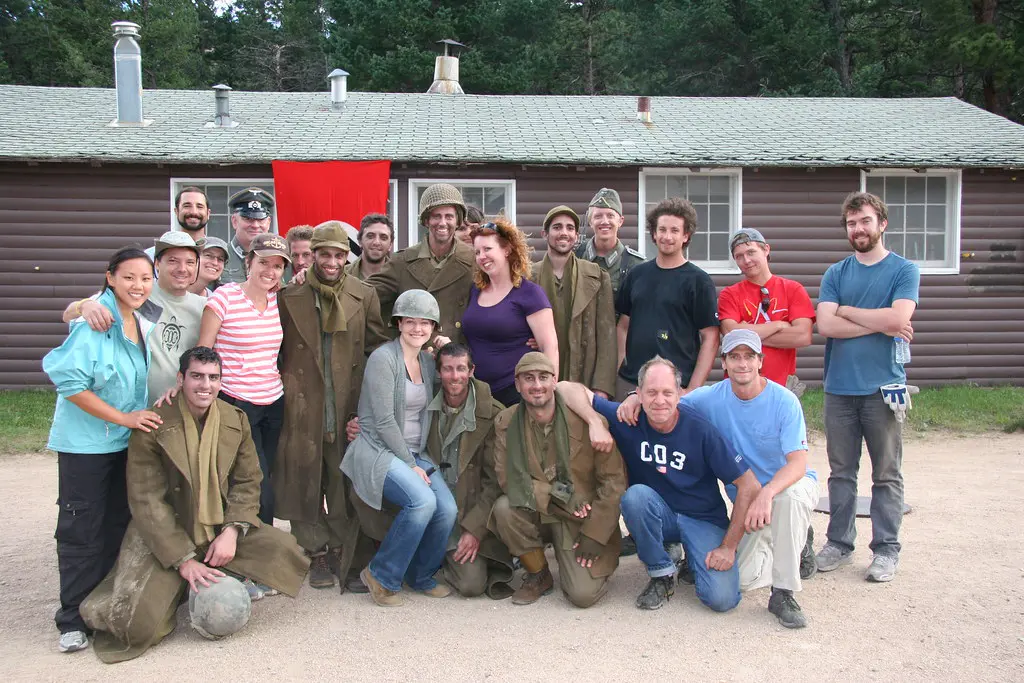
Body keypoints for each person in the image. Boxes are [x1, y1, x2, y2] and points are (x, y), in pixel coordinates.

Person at [79, 347, 309, 663]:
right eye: (197, 376)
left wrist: (231, 531)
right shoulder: (152, 425)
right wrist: (183, 559)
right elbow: (147, 501)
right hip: (169, 535)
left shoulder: (235, 419)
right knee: (136, 628)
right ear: (181, 379)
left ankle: (212, 565)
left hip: (217, 529)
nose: (205, 385)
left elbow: (248, 482)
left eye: (214, 378)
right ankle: (178, 580)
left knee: (287, 551)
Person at [615, 329, 819, 628]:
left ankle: (783, 592)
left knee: (788, 500)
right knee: (741, 582)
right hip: (747, 503)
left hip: (785, 487)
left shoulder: (784, 401)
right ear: (724, 363)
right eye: (734, 357)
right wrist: (634, 396)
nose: (742, 364)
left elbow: (798, 464)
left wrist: (767, 492)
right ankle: (789, 539)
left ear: (760, 361)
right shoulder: (711, 398)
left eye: (749, 357)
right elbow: (667, 398)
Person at [557, 356, 759, 613]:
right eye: (651, 392)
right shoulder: (627, 419)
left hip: (702, 519)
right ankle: (661, 574)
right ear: (638, 394)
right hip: (659, 515)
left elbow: (749, 485)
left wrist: (728, 547)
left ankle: (693, 560)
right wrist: (595, 421)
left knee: (721, 600)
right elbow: (565, 387)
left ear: (680, 394)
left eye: (667, 393)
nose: (659, 401)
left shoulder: (701, 430)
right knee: (634, 497)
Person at [42, 247, 162, 654]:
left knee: (116, 524)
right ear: (110, 278)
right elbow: (71, 383)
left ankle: (102, 607)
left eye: (145, 278)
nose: (139, 285)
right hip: (87, 445)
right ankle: (72, 618)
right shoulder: (94, 321)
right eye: (129, 277)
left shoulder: (141, 320)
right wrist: (125, 417)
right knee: (81, 531)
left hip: (123, 444)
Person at [346, 342, 515, 598]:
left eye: (461, 369)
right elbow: (385, 411)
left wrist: (475, 529)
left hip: (467, 517)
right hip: (430, 498)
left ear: (472, 371)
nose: (454, 376)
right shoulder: (423, 402)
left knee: (472, 585)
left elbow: (496, 482)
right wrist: (359, 425)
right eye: (447, 369)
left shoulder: (492, 415)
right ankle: (407, 566)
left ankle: (424, 567)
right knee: (416, 502)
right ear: (438, 372)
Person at [275, 221, 389, 593]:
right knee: (305, 478)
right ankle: (315, 548)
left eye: (339, 255)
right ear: (312, 256)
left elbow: (375, 349)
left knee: (342, 479)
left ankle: (343, 546)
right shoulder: (287, 296)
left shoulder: (363, 294)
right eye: (324, 254)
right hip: (303, 400)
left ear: (346, 257)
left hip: (346, 402)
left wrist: (367, 407)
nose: (331, 261)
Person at [814, 191, 920, 583]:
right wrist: (880, 321)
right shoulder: (837, 273)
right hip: (839, 388)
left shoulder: (904, 271)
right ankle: (839, 543)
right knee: (841, 472)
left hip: (884, 388)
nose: (858, 229)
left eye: (865, 221)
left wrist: (846, 310)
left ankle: (886, 550)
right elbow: (825, 326)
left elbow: (900, 319)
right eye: (851, 223)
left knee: (886, 473)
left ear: (882, 223)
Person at [341, 290, 458, 606]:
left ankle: (420, 575)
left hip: (415, 451)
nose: (418, 329)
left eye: (425, 323)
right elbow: (382, 421)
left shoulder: (428, 362)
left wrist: (445, 350)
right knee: (421, 502)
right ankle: (381, 574)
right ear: (398, 323)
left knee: (447, 509)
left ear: (433, 327)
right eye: (410, 322)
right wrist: (409, 464)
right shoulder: (383, 358)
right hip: (379, 449)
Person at [489, 353, 626, 607]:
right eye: (528, 379)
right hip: (540, 508)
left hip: (581, 516)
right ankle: (538, 574)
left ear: (555, 382)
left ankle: (586, 559)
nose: (536, 385)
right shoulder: (506, 422)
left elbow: (614, 483)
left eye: (543, 377)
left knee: (582, 596)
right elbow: (508, 478)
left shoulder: (588, 423)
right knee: (505, 508)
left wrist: (596, 534)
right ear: (518, 385)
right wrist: (557, 496)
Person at [200, 233, 290, 526]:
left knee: (266, 474)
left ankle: (253, 543)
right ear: (249, 262)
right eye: (264, 262)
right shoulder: (224, 297)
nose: (270, 271)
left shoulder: (280, 302)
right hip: (236, 402)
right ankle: (253, 546)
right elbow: (204, 351)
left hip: (273, 402)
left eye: (278, 266)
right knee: (255, 482)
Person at [63, 231, 205, 400]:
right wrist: (84, 305)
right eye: (173, 261)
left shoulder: (203, 307)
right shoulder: (139, 292)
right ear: (157, 264)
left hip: (179, 403)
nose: (182, 269)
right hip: (132, 402)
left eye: (190, 262)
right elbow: (68, 314)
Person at [616, 197, 720, 399]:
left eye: (674, 231)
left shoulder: (699, 281)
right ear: (654, 234)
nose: (667, 236)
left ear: (686, 236)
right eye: (662, 230)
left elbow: (711, 337)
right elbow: (623, 325)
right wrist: (621, 364)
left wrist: (693, 389)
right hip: (631, 383)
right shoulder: (637, 275)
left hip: (677, 387)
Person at [461, 218, 558, 406]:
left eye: (488, 249)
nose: (482, 256)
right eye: (477, 252)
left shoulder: (530, 293)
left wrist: (548, 394)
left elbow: (550, 347)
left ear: (506, 250)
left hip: (517, 394)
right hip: (478, 393)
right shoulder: (475, 291)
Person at [366, 183, 474, 344]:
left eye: (449, 216)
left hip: (455, 362)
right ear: (426, 220)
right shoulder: (402, 261)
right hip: (414, 358)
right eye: (436, 216)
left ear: (458, 220)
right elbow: (364, 296)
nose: (443, 223)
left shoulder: (474, 260)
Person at [531, 204, 616, 399]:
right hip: (539, 379)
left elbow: (607, 339)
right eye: (557, 227)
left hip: (583, 377)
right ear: (545, 233)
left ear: (577, 236)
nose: (564, 233)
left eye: (570, 228)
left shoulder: (597, 277)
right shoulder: (527, 277)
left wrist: (601, 389)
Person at [718, 228, 814, 390]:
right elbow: (730, 333)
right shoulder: (729, 294)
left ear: (766, 250)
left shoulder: (793, 289)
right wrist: (779, 326)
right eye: (739, 256)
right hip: (739, 386)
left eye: (751, 252)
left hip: (782, 387)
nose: (746, 260)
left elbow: (803, 336)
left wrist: (745, 333)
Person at [575, 188, 644, 296]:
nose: (604, 221)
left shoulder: (635, 264)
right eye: (598, 216)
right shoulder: (575, 256)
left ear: (620, 221)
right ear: (590, 222)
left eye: (610, 216)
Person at [222, 187, 274, 284]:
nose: (255, 225)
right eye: (248, 219)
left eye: (260, 219)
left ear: (268, 223)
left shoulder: (278, 259)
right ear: (234, 221)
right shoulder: (220, 257)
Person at [144, 186, 211, 260]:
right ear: (176, 211)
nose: (193, 212)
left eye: (199, 206)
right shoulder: (151, 256)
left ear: (208, 213)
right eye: (187, 206)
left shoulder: (218, 256)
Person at [347, 213, 394, 280]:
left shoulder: (400, 278)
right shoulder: (342, 276)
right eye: (370, 236)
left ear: (390, 245)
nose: (376, 242)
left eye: (383, 238)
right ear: (360, 241)